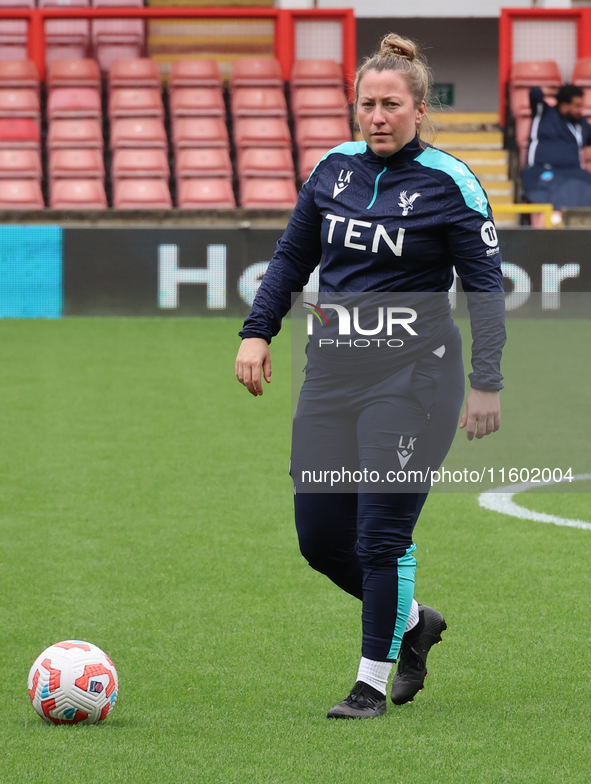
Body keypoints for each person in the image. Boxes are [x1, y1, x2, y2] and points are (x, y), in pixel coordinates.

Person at [235, 33, 505, 719]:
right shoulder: (332, 170)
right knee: (320, 541)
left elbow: (484, 290)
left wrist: (485, 381)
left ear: (418, 108)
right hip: (330, 378)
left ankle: (368, 684)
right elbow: (291, 257)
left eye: (391, 104)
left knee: (380, 536)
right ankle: (414, 622)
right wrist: (257, 332)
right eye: (366, 105)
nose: (377, 116)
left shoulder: (451, 182)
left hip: (414, 381)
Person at [522, 84, 591, 210]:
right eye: (576, 106)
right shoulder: (543, 113)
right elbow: (535, 92)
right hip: (542, 170)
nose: (579, 110)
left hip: (574, 172)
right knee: (554, 190)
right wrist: (558, 94)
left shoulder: (581, 124)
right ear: (564, 105)